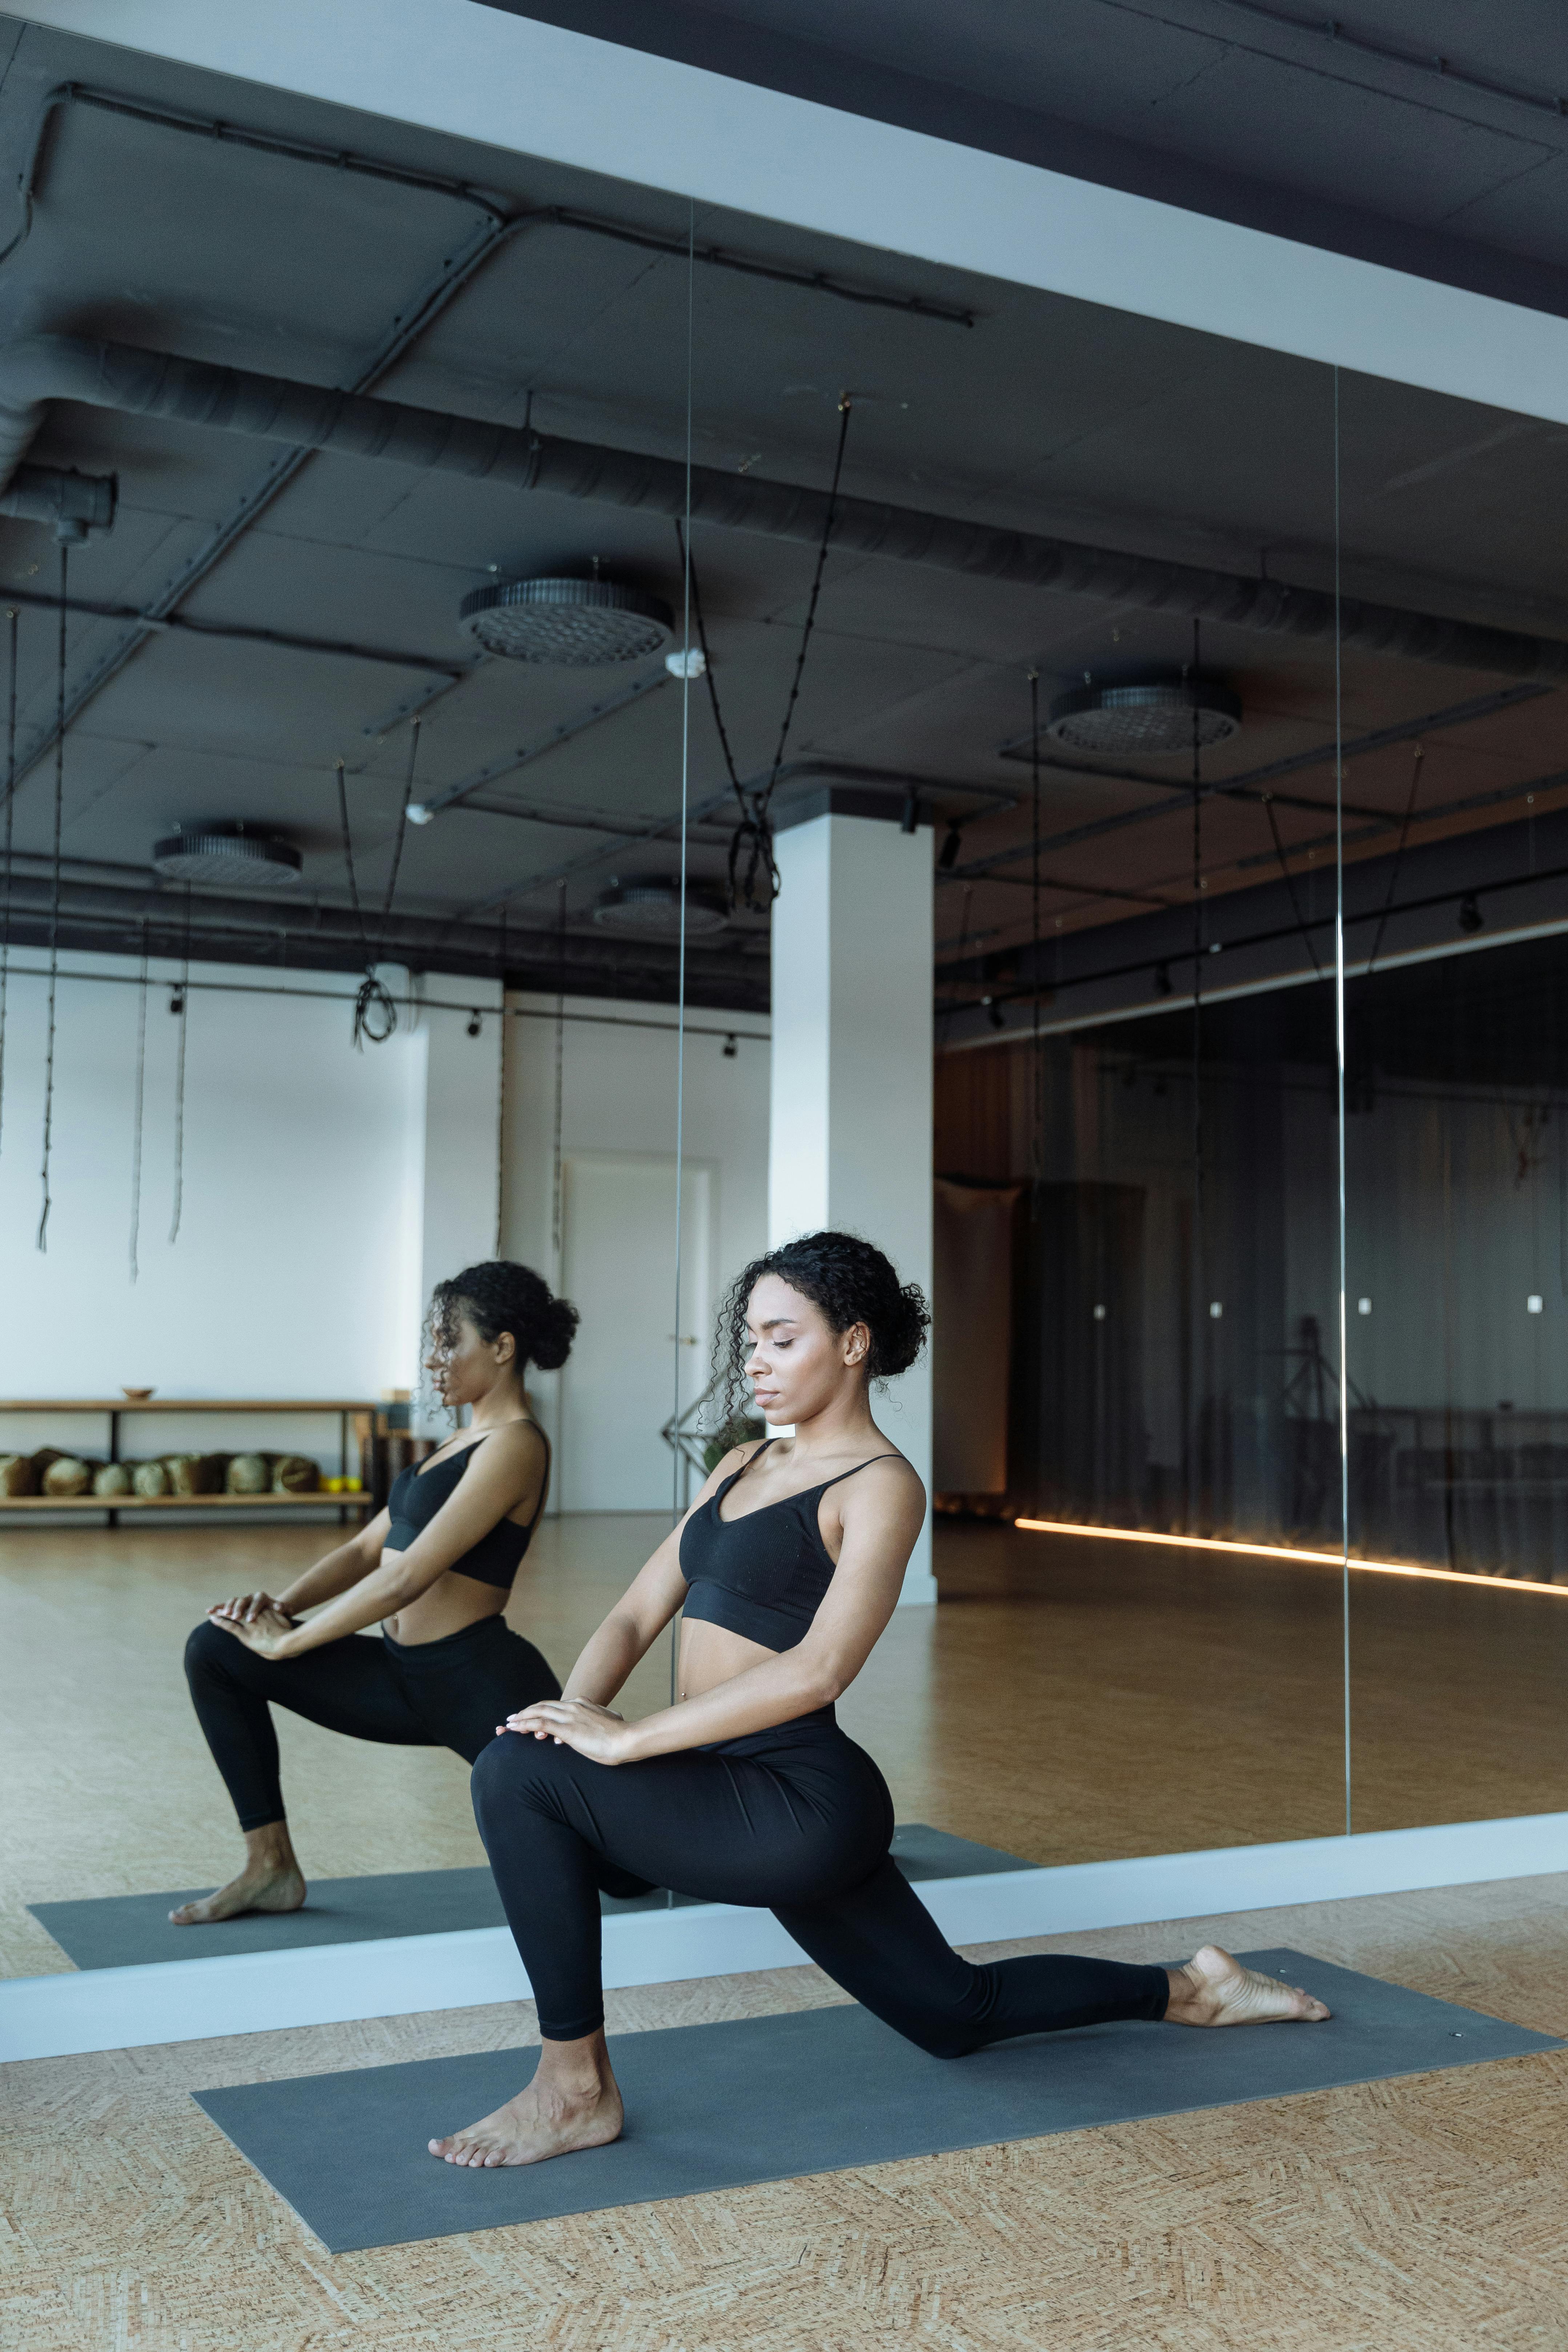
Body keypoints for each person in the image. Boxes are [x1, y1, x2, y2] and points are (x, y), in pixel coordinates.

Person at [430, 1231, 1329, 2170]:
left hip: (796, 1804)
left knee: (512, 1777)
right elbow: (633, 1610)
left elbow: (820, 1668)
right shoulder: (740, 1464)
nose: (757, 1362)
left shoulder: (882, 1485)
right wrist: (572, 1713)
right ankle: (1193, 1986)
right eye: (750, 1340)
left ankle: (575, 2089)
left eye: (783, 1338)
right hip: (717, 1780)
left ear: (852, 1342)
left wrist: (628, 1741)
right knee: (953, 2011)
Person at [175, 1260, 576, 1927]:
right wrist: (275, 1612)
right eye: (433, 1339)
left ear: (503, 1347)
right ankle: (270, 1865)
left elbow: (406, 1576)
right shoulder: (457, 1442)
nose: (433, 1358)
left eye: (451, 1341)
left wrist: (293, 1642)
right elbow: (366, 1551)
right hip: (400, 1678)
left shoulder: (516, 1446)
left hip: (477, 1681)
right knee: (217, 1649)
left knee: (616, 1869)